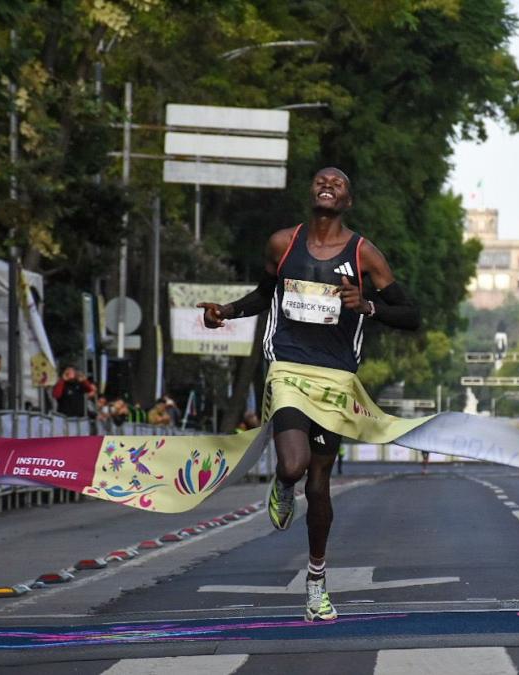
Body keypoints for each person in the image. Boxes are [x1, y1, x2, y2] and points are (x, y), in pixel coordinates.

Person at [198, 167, 420, 622]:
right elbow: (265, 295)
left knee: (319, 485)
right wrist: (226, 311)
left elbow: (410, 314)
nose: (328, 185)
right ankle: (283, 484)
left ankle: (316, 581)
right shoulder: (282, 244)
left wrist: (368, 305)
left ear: (348, 201)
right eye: (321, 179)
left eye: (339, 183)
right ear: (311, 191)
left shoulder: (364, 254)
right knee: (294, 465)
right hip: (288, 367)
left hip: (336, 378)